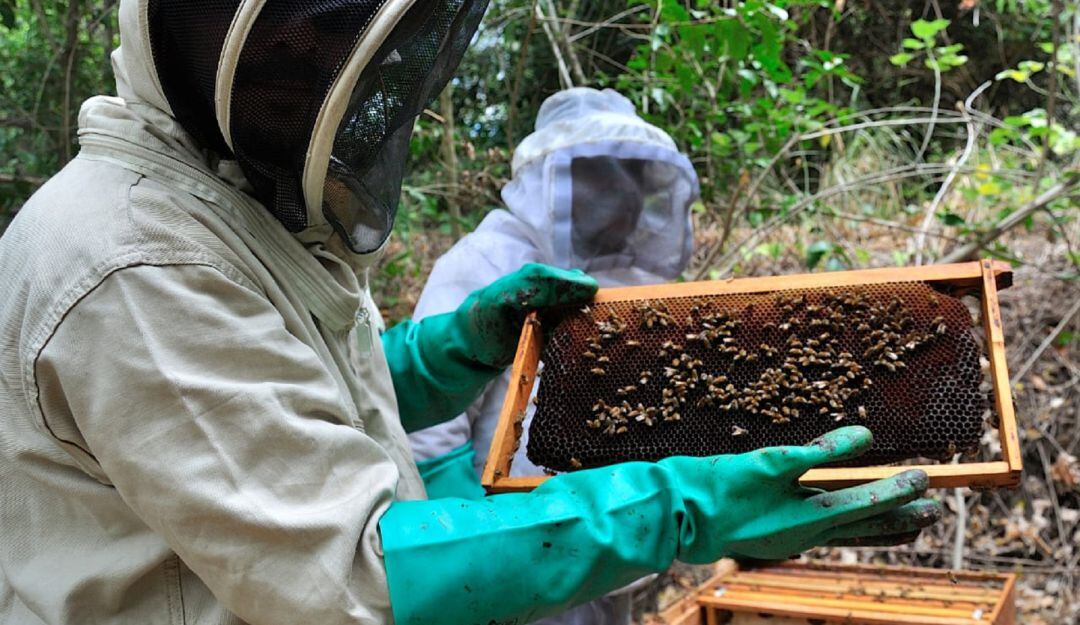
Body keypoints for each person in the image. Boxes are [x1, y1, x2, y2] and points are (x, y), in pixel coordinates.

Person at [0, 3, 941, 625]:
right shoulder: (137, 259)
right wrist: (680, 504)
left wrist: (449, 352)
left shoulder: (219, 209)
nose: (313, 65)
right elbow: (358, 576)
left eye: (332, 46)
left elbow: (286, 400)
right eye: (293, 40)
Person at [408, 86, 701, 625]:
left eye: (631, 178)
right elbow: (430, 421)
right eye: (602, 178)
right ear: (557, 181)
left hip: (621, 531)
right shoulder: (484, 262)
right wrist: (469, 537)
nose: (621, 196)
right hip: (516, 545)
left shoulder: (631, 272)